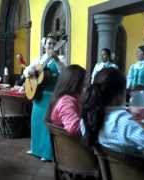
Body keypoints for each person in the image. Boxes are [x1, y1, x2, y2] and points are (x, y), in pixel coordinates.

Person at [80, 68, 144, 158]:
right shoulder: (122, 123)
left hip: (104, 171)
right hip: (136, 171)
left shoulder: (87, 117)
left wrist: (127, 109)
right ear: (119, 95)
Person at [24, 32, 66, 161]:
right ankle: (35, 149)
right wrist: (29, 72)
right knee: (36, 122)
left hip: (51, 96)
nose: (51, 46)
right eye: (49, 43)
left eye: (54, 44)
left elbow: (64, 73)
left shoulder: (61, 58)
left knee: (47, 124)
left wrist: (57, 60)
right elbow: (27, 72)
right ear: (44, 45)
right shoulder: (39, 59)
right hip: (38, 95)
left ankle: (47, 154)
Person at [47, 64, 86, 135]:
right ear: (76, 83)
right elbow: (74, 127)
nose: (86, 85)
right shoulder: (66, 101)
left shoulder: (69, 98)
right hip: (74, 144)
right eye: (84, 82)